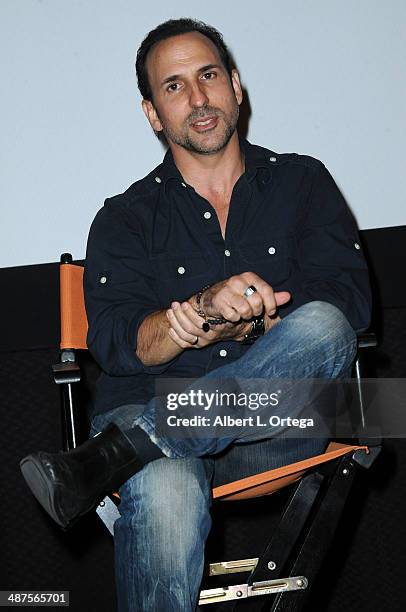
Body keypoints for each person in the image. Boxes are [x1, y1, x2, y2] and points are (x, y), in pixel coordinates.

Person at [20, 18, 371, 611]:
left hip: (281, 421)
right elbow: (115, 343)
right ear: (153, 113)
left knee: (328, 325)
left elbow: (351, 304)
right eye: (174, 86)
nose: (198, 98)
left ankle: (133, 446)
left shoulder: (302, 181)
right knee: (163, 485)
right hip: (149, 396)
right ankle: (150, 446)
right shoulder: (123, 218)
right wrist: (198, 315)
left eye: (208, 76)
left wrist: (258, 324)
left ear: (235, 86)